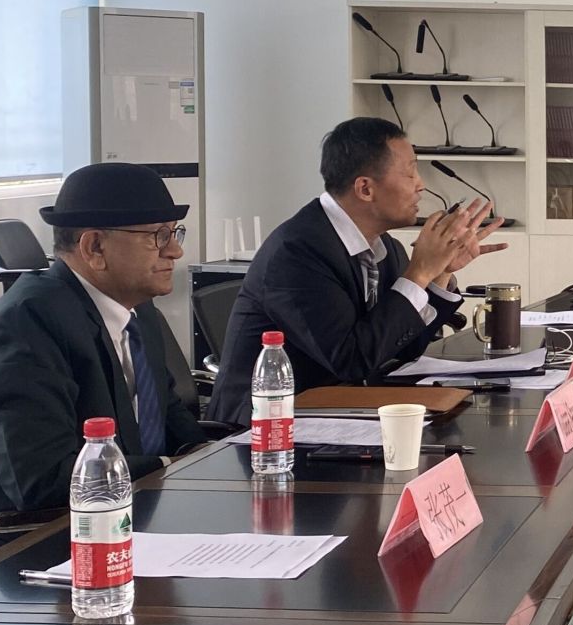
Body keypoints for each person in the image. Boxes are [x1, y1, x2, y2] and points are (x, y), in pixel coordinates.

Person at [0, 163, 207, 520]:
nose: (175, 251)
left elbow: (165, 411)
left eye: (174, 233)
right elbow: (42, 481)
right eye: (158, 236)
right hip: (40, 534)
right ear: (94, 247)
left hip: (132, 509)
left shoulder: (137, 310)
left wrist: (208, 454)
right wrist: (167, 465)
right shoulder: (28, 321)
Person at [210, 119, 504, 425]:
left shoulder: (384, 246)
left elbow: (404, 347)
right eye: (410, 172)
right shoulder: (297, 252)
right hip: (266, 428)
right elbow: (351, 360)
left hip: (341, 410)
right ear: (365, 188)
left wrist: (439, 272)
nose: (421, 185)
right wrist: (418, 274)